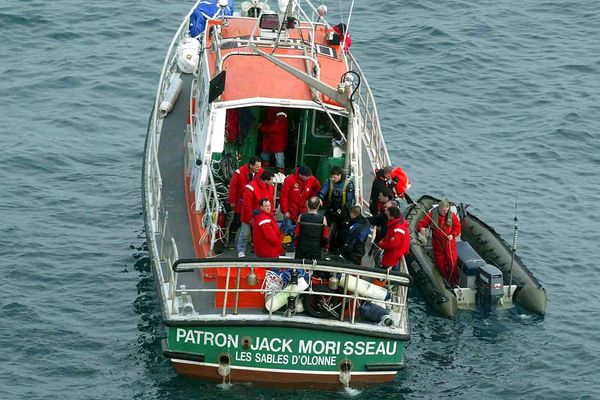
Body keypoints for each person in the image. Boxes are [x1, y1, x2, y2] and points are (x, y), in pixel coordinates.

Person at [417, 199, 462, 286]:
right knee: (440, 263)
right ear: (439, 209)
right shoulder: (432, 215)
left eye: (446, 210)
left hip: (449, 242)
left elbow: (458, 228)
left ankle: (454, 282)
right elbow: (421, 224)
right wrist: (421, 228)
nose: (445, 212)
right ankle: (444, 280)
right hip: (437, 242)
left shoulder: (452, 216)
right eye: (443, 210)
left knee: (452, 263)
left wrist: (453, 235)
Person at [237, 170, 275, 257]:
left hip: (262, 216)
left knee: (261, 235)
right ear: (266, 180)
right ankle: (241, 250)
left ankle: (259, 250)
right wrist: (250, 218)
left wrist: (271, 213)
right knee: (245, 233)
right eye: (271, 180)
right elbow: (247, 205)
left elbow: (271, 201)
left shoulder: (271, 187)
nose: (273, 182)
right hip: (249, 215)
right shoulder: (250, 187)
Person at [319, 166, 354, 252]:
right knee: (325, 226)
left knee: (342, 229)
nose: (333, 178)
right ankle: (324, 244)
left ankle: (338, 247)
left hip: (342, 209)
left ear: (340, 176)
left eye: (334, 177)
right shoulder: (329, 182)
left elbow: (350, 201)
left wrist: (348, 212)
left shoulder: (348, 184)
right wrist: (320, 198)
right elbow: (323, 191)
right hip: (331, 207)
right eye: (332, 176)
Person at [228, 156, 263, 240]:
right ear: (251, 165)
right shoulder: (239, 172)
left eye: (260, 166)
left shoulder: (261, 172)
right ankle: (231, 240)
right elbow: (233, 187)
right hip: (241, 203)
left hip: (254, 203)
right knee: (237, 221)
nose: (259, 168)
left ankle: (253, 243)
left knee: (254, 223)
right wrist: (232, 201)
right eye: (257, 167)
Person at [279, 165, 321, 235]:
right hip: (291, 213)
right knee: (285, 232)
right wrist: (285, 211)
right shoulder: (289, 180)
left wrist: (313, 198)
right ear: (300, 175)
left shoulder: (311, 178)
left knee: (300, 233)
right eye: (307, 176)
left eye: (309, 176)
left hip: (303, 212)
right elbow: (284, 196)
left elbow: (318, 188)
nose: (308, 178)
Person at [378, 206, 410, 271]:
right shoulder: (398, 224)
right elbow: (390, 237)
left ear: (392, 216)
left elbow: (393, 243)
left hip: (393, 257)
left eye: (387, 215)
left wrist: (382, 244)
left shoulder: (398, 229)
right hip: (394, 254)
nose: (386, 216)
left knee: (383, 275)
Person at [259, 108, 288, 174]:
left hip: (278, 141)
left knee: (279, 160)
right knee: (265, 156)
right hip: (269, 140)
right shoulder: (270, 112)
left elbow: (275, 128)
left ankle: (281, 176)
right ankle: (264, 174)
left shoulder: (281, 114)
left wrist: (262, 127)